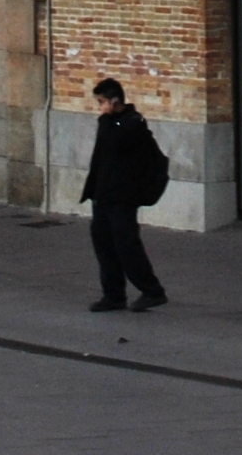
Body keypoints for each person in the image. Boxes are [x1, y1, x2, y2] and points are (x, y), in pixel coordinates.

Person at [80, 76, 169, 313]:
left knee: (127, 245)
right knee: (104, 245)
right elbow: (100, 157)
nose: (100, 108)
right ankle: (113, 295)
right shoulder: (108, 123)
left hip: (123, 198)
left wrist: (109, 120)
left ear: (114, 100)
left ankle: (152, 291)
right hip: (103, 196)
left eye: (102, 102)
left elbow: (120, 142)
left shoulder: (132, 123)